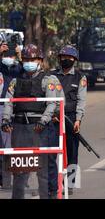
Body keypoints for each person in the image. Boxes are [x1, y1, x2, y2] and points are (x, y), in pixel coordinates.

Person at [1, 44, 63, 199]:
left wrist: (43, 121)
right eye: (26, 59)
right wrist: (6, 119)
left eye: (32, 59)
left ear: (40, 61)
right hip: (19, 127)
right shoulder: (16, 81)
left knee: (42, 172)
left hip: (39, 129)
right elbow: (9, 101)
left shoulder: (48, 80)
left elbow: (53, 103)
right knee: (19, 170)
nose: (29, 62)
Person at [51, 45, 87, 196]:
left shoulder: (80, 77)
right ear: (59, 59)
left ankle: (71, 184)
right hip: (53, 118)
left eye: (69, 58)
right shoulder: (52, 76)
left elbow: (81, 100)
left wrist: (78, 120)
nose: (66, 60)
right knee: (51, 151)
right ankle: (52, 182)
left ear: (75, 60)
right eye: (63, 57)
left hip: (71, 118)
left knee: (72, 152)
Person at [0, 44, 22, 189]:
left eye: (11, 56)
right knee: (4, 145)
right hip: (2, 107)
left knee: (18, 145)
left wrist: (20, 57)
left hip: (17, 108)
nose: (9, 58)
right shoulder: (1, 67)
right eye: (6, 56)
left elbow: (25, 69)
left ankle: (20, 179)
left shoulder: (17, 69)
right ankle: (5, 180)